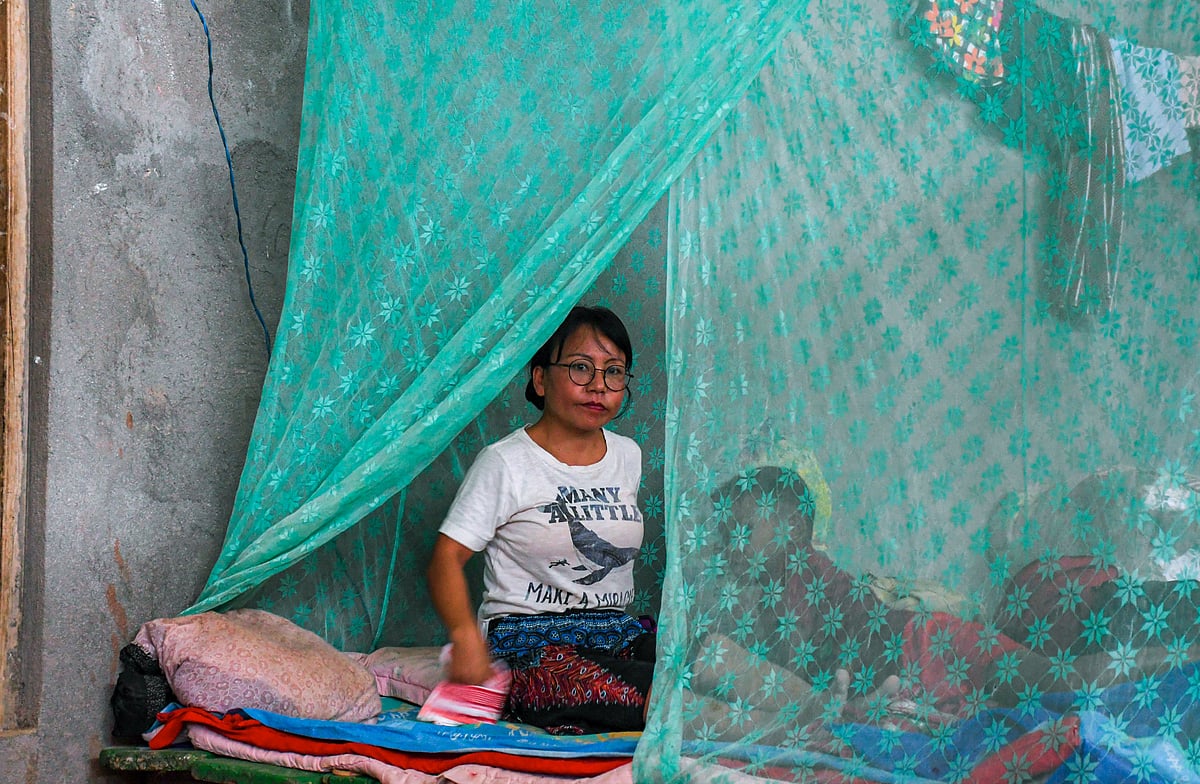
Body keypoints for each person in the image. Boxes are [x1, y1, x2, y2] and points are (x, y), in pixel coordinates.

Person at [426, 305, 654, 735]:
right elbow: (445, 558)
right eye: (581, 368)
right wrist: (465, 637)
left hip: (615, 632)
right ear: (540, 378)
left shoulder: (628, 455)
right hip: (530, 642)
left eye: (615, 372)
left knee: (705, 666)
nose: (599, 387)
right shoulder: (506, 463)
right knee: (656, 695)